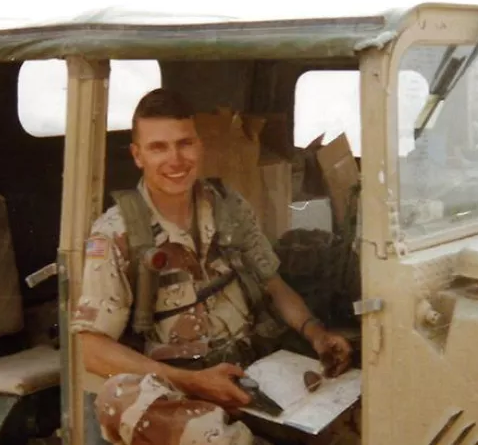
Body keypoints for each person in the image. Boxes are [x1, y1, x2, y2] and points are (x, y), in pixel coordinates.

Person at [71, 88, 353, 445]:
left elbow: (273, 284)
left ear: (200, 146)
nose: (175, 159)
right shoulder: (117, 233)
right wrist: (192, 381)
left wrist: (317, 334)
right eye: (159, 147)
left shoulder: (228, 207)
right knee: (118, 400)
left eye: (184, 144)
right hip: (181, 389)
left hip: (253, 372)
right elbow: (90, 348)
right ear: (138, 156)